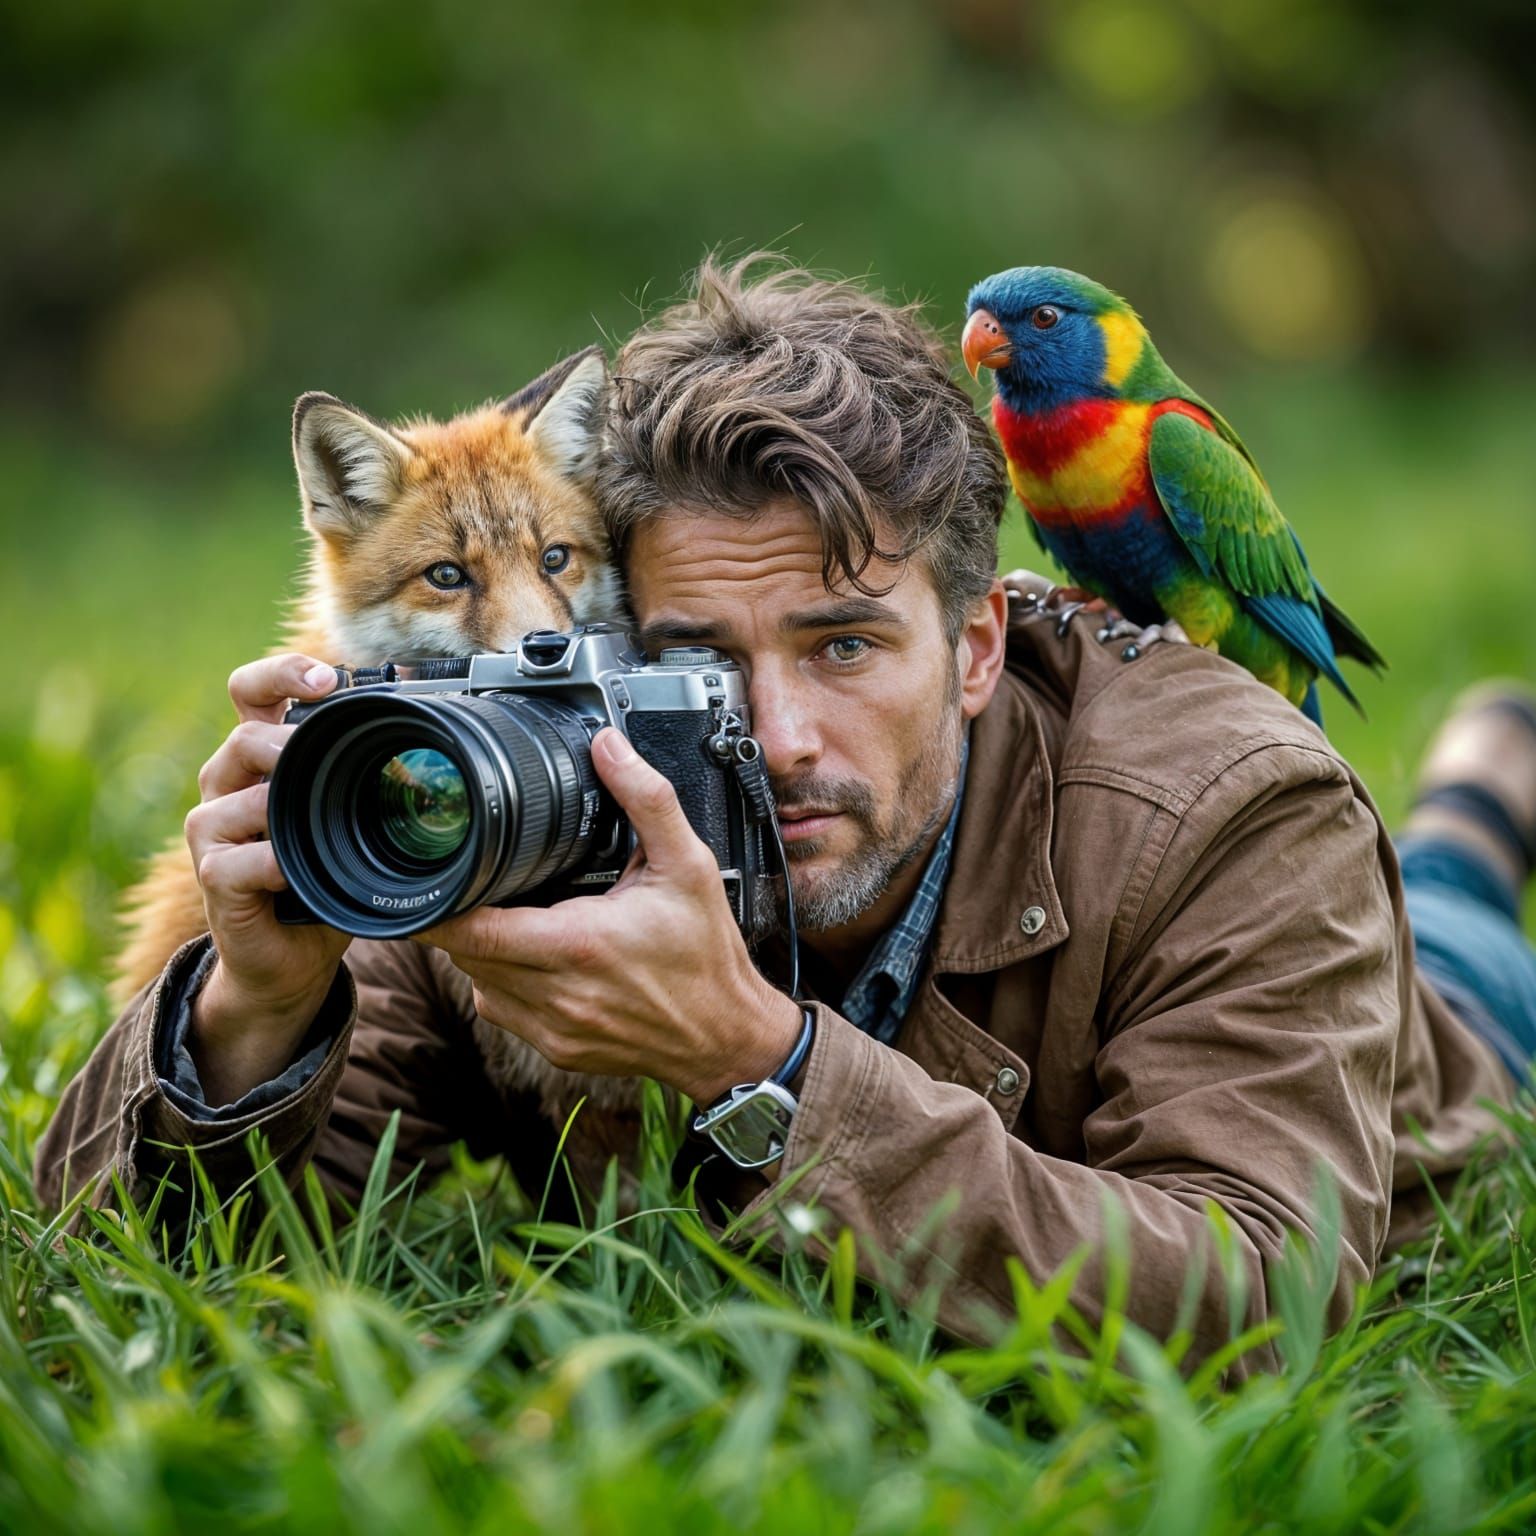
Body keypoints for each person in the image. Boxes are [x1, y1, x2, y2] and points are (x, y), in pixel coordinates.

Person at [37, 257, 1534, 1373]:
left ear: (976, 645)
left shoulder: (1227, 810)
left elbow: (1265, 1296)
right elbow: (122, 1263)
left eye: (842, 644)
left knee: (1460, 936)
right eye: (695, 660)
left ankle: (1479, 796)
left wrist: (756, 1066)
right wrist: (256, 1004)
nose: (777, 732)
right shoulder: (534, 791)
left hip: (1433, 1036)